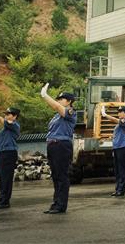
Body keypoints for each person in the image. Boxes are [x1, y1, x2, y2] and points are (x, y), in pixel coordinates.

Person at [40, 84, 76, 214]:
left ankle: (61, 205)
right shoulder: (56, 116)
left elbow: (56, 106)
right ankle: (56, 203)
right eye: (59, 99)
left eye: (62, 99)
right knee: (55, 176)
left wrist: (45, 96)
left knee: (62, 175)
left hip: (62, 145)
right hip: (53, 146)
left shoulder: (70, 112)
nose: (59, 101)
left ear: (69, 101)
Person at [101, 105, 125, 197]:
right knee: (117, 170)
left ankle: (121, 190)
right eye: (118, 112)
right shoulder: (119, 124)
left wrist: (105, 115)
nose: (119, 113)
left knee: (122, 170)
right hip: (117, 148)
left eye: (120, 111)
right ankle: (118, 189)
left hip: (123, 147)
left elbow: (115, 120)